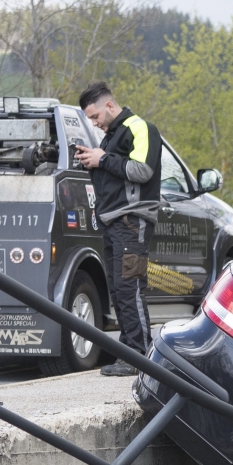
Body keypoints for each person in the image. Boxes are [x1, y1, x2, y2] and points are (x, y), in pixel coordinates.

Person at [74, 81, 162, 368]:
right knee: (117, 289)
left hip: (132, 222)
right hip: (114, 224)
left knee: (129, 288)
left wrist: (103, 159)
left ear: (109, 106)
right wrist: (93, 161)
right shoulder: (110, 137)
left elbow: (142, 170)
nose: (94, 123)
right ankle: (128, 353)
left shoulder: (140, 128)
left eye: (95, 116)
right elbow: (114, 172)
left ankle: (139, 357)